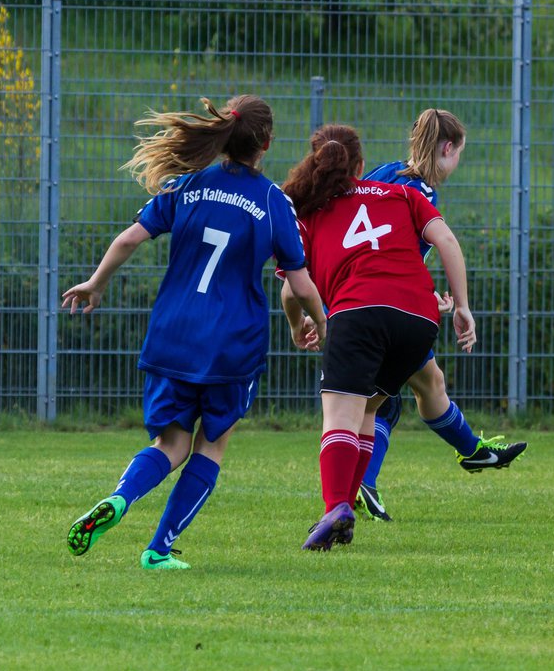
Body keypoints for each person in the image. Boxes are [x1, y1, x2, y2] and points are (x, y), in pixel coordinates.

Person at [62, 95, 326, 570]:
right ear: (266, 143)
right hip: (231, 345)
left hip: (172, 336)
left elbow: (128, 239)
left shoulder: (186, 185)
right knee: (210, 444)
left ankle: (121, 500)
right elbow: (301, 282)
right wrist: (321, 323)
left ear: (224, 132)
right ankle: (158, 549)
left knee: (171, 444)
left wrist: (95, 283)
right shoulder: (271, 201)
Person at [279, 124, 523, 551]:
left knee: (339, 417)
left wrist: (302, 321)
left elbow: (292, 287)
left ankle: (336, 505)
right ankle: (353, 502)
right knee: (371, 407)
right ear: (360, 165)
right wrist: (462, 306)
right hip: (418, 318)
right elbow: (446, 239)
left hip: (359, 311)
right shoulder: (404, 193)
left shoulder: (310, 210)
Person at [354, 109, 525, 523]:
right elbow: (430, 246)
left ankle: (472, 453)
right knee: (377, 403)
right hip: (383, 307)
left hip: (350, 294)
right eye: (459, 153)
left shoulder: (385, 172)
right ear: (448, 148)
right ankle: (359, 482)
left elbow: (374, 246)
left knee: (425, 384)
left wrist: (426, 294)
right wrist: (456, 304)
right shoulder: (421, 195)